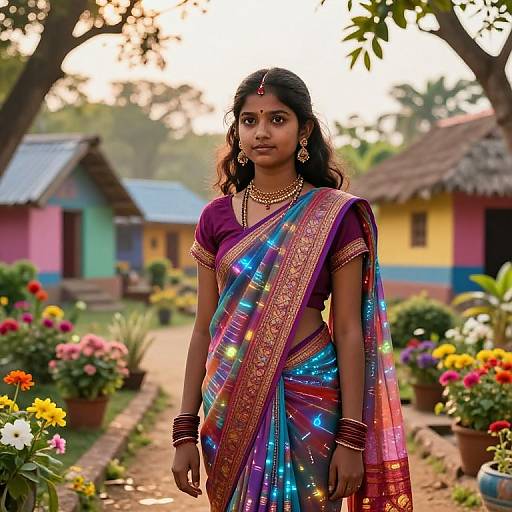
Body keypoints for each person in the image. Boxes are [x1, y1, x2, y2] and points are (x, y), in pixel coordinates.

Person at [171, 67, 413, 512]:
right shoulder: (215, 218)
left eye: (277, 119)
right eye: (249, 120)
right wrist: (185, 428)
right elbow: (203, 328)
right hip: (229, 395)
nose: (261, 131)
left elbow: (347, 330)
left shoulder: (333, 215)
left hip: (312, 389)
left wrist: (353, 436)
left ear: (304, 129)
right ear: (237, 130)